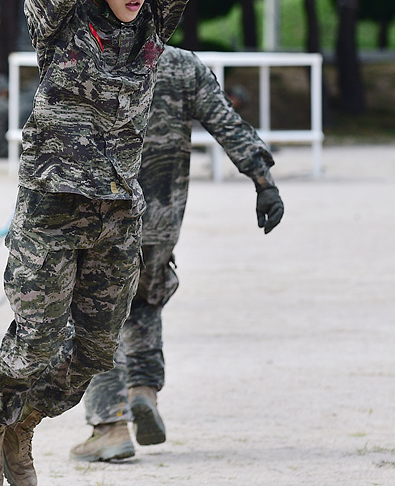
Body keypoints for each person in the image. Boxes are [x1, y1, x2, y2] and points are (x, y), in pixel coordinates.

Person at [0, 0, 211, 486]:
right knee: (36, 344)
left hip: (118, 210)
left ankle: (22, 424)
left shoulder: (153, 22)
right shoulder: (59, 22)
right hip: (53, 206)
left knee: (96, 353)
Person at [70, 45, 285, 461]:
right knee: (147, 302)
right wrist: (264, 182)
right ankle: (144, 391)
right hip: (161, 219)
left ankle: (110, 425)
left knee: (94, 315)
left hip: (102, 215)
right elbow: (227, 122)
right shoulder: (181, 64)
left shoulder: (87, 56)